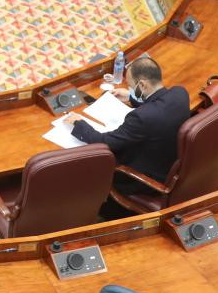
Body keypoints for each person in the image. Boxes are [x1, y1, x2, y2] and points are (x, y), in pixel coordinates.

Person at [60, 55, 191, 203]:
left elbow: (105, 142)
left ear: (142, 85)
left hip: (141, 179)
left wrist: (80, 124)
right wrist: (132, 97)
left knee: (81, 163)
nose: (130, 89)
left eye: (131, 86)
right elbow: (159, 105)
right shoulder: (180, 93)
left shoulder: (141, 118)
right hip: (167, 162)